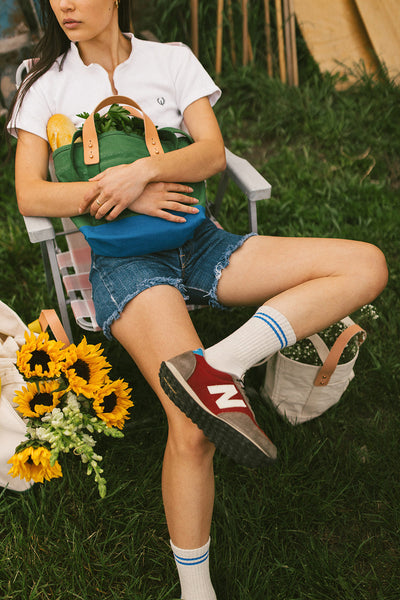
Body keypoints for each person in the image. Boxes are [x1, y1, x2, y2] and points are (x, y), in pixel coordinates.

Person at [8, 1, 388, 598]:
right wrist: (123, 193)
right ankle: (196, 590)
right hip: (125, 265)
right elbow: (30, 194)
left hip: (203, 241)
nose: (67, 4)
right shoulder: (44, 82)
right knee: (194, 427)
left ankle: (222, 363)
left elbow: (211, 152)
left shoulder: (170, 59)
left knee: (364, 263)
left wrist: (143, 172)